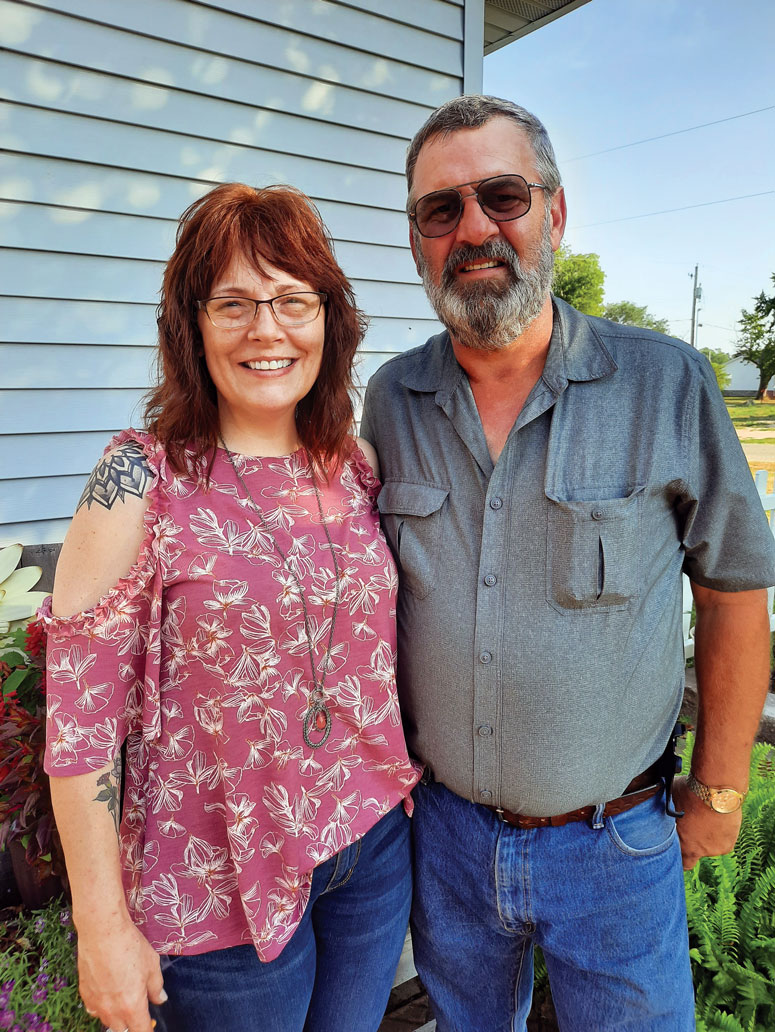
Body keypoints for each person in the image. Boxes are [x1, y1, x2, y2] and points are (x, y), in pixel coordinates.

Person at [360, 94, 775, 1031]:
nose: (473, 228)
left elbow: (732, 590)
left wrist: (718, 787)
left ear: (554, 210)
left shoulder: (665, 381)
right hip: (448, 839)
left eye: (501, 196)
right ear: (419, 237)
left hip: (614, 846)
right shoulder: (390, 400)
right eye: (441, 209)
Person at [43, 182, 420, 1032]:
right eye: (235, 303)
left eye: (292, 300)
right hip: (212, 885)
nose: (266, 329)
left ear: (329, 319)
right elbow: (79, 720)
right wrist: (99, 924)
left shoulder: (353, 467)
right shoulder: (139, 478)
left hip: (369, 845)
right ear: (192, 325)